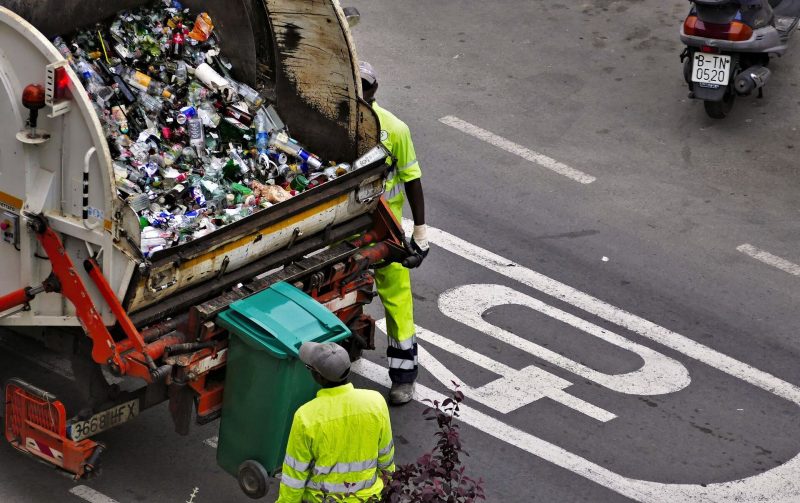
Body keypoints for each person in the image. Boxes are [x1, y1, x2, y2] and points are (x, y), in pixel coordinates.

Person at [359, 61, 429, 405]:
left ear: (375, 89)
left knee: (397, 301)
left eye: (365, 85)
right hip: (345, 225)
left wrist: (420, 231)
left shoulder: (395, 129)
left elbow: (412, 179)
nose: (360, 91)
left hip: (384, 229)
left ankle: (403, 377)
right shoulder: (334, 121)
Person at [277, 342, 396, 503]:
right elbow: (386, 454)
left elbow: (295, 474)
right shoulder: (375, 402)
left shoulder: (306, 417)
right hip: (370, 497)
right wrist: (388, 483)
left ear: (318, 377)